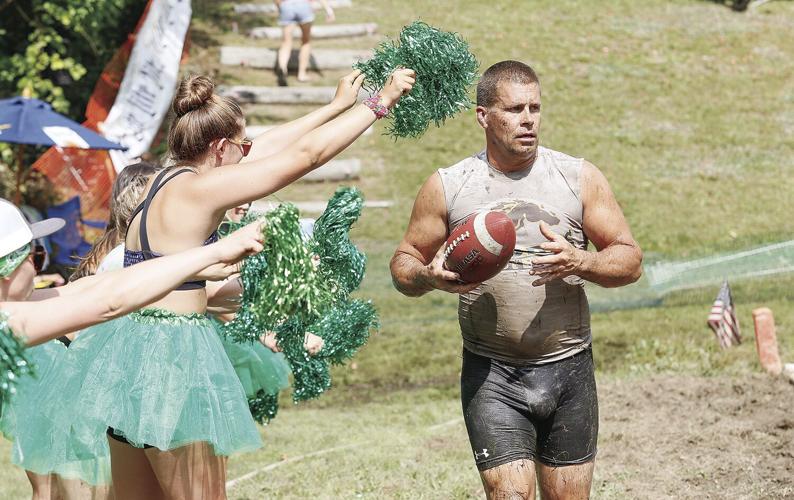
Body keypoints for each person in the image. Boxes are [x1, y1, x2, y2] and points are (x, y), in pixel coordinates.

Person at [36, 68, 414, 499]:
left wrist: (333, 108)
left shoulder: (165, 181)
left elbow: (270, 147)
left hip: (126, 358)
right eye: (241, 146)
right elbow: (304, 157)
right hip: (170, 360)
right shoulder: (200, 191)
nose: (249, 154)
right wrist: (379, 103)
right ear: (218, 149)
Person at [389, 60, 642, 499]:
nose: (528, 119)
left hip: (569, 370)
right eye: (514, 109)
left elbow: (629, 260)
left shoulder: (577, 176)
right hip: (492, 375)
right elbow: (403, 262)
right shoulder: (449, 185)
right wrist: (428, 276)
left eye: (535, 108)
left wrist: (581, 261)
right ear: (483, 116)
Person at [274, 0, 334, 86]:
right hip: (303, 5)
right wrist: (329, 10)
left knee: (286, 42)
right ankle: (302, 74)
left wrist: (281, 7)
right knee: (306, 42)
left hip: (286, 5)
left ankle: (282, 69)